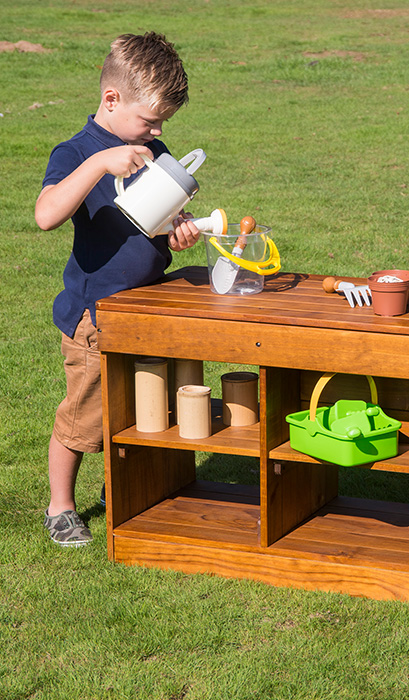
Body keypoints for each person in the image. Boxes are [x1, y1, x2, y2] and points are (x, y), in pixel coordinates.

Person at [35, 32, 200, 546]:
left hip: (147, 303)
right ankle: (60, 506)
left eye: (161, 125)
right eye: (148, 121)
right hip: (95, 313)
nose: (154, 133)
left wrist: (180, 228)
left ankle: (120, 487)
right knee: (85, 416)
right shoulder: (77, 152)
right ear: (112, 99)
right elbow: (45, 216)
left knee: (141, 405)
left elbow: (154, 219)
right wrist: (99, 164)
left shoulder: (153, 149)